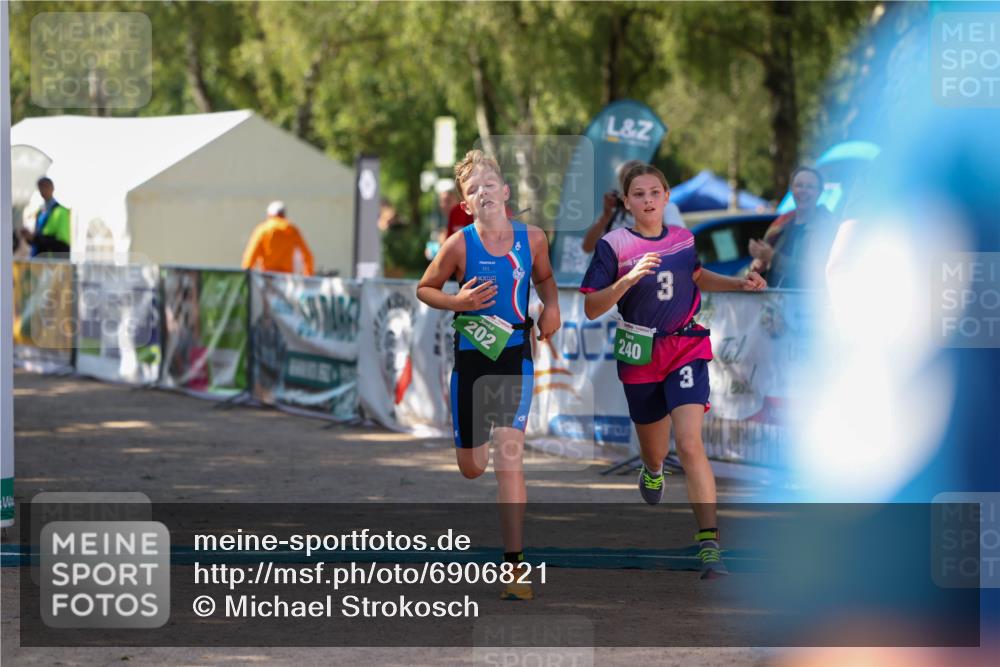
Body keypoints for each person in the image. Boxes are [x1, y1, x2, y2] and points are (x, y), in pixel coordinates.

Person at [580, 163, 766, 579]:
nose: (647, 200)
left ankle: (709, 547)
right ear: (626, 202)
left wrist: (740, 283)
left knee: (690, 442)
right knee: (656, 450)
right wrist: (626, 282)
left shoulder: (683, 239)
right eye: (639, 194)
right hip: (640, 351)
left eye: (654, 192)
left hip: (685, 345)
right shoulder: (613, 245)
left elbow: (696, 276)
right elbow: (592, 307)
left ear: (666, 197)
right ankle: (652, 469)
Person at [417, 149, 560, 600]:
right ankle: (472, 451)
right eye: (472, 190)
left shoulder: (532, 238)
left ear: (506, 191)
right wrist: (456, 303)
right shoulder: (459, 244)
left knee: (509, 459)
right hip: (472, 363)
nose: (483, 193)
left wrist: (551, 309)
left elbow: (546, 280)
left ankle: (514, 568)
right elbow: (425, 288)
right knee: (473, 468)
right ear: (465, 203)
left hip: (515, 354)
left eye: (489, 185)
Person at [748, 166, 836, 288]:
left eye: (810, 186)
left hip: (809, 304)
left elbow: (816, 273)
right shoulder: (781, 225)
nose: (803, 190)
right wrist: (760, 265)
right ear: (791, 189)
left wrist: (773, 258)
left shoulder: (827, 227)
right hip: (776, 303)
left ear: (820, 192)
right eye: (799, 185)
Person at [580, 159, 684, 254]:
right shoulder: (614, 214)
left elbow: (680, 244)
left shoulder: (667, 209)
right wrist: (605, 216)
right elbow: (587, 247)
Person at [241, 201, 315, 276]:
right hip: (286, 278)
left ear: (269, 215)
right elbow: (307, 255)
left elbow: (251, 255)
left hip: (267, 277)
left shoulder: (263, 230)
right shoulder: (292, 230)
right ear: (284, 215)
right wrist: (308, 275)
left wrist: (246, 276)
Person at [21, 177, 71, 257]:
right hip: (39, 260)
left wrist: (35, 238)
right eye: (41, 187)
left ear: (52, 188)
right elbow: (38, 241)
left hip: (51, 263)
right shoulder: (40, 211)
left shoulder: (61, 212)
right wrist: (29, 238)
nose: (43, 190)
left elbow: (63, 244)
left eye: (46, 187)